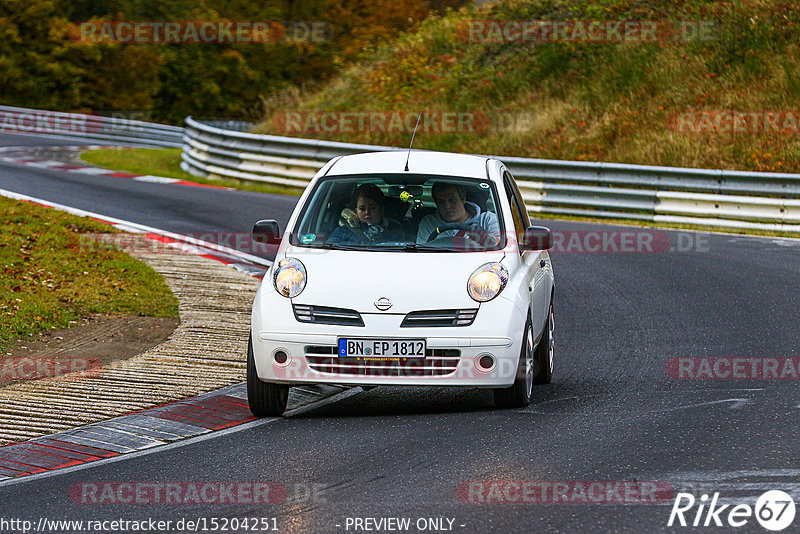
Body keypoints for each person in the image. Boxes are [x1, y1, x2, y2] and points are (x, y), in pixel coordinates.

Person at [416, 181, 500, 245]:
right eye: (441, 202)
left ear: (463, 199)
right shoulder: (428, 223)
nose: (447, 206)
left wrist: (485, 238)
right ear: (436, 203)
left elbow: (500, 246)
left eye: (452, 200)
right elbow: (421, 253)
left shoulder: (487, 219)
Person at [327, 184, 406, 245]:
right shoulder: (343, 231)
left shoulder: (396, 229)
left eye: (372, 208)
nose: (367, 212)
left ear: (381, 209)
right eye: (362, 209)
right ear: (355, 211)